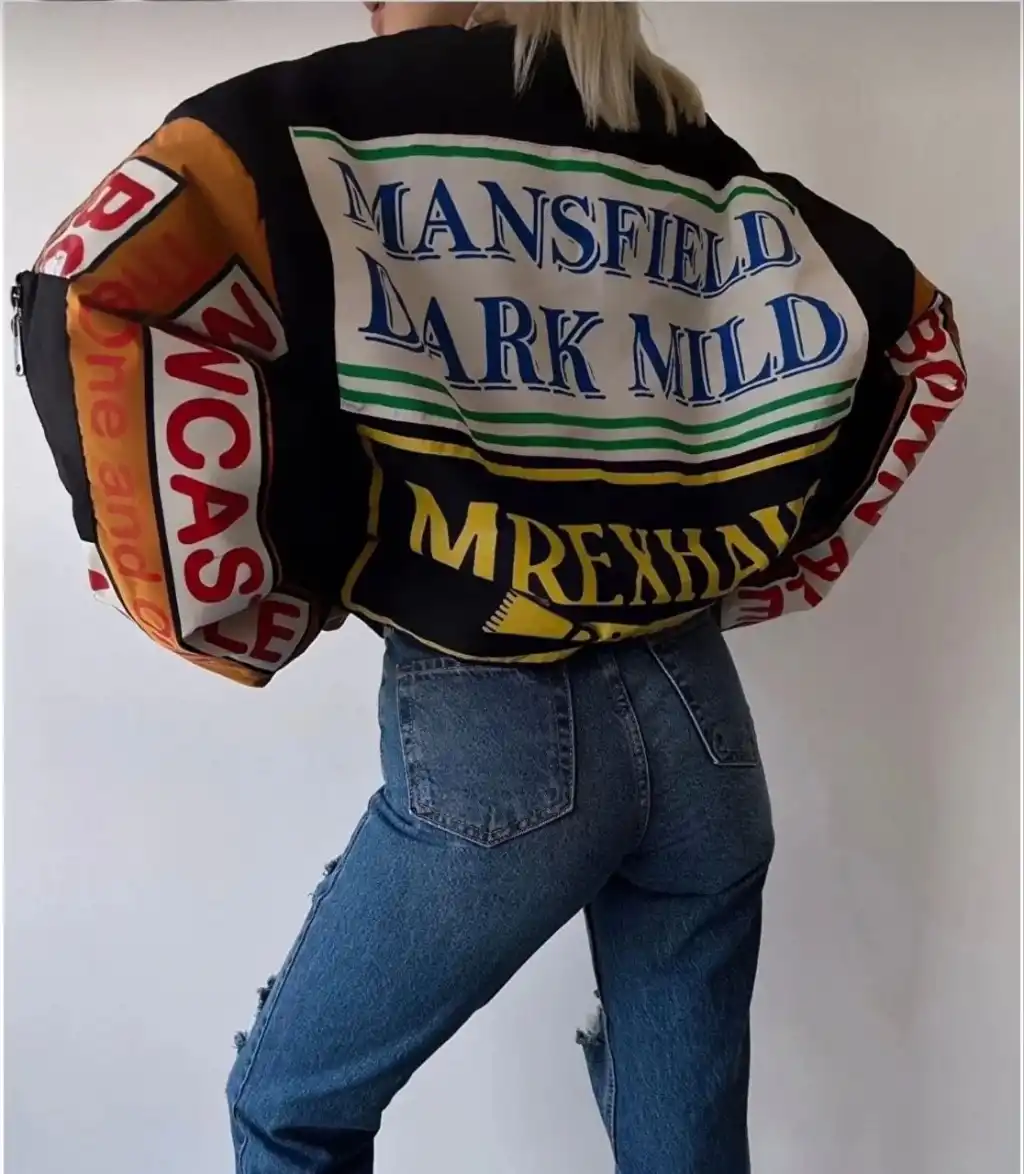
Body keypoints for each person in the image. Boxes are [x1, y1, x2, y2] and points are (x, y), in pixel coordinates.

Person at [13, 2, 967, 1171]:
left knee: (287, 1107)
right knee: (685, 1149)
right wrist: (741, 557)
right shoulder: (685, 147)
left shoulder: (340, 123)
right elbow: (901, 337)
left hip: (500, 739)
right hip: (704, 729)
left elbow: (103, 275)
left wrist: (274, 573)